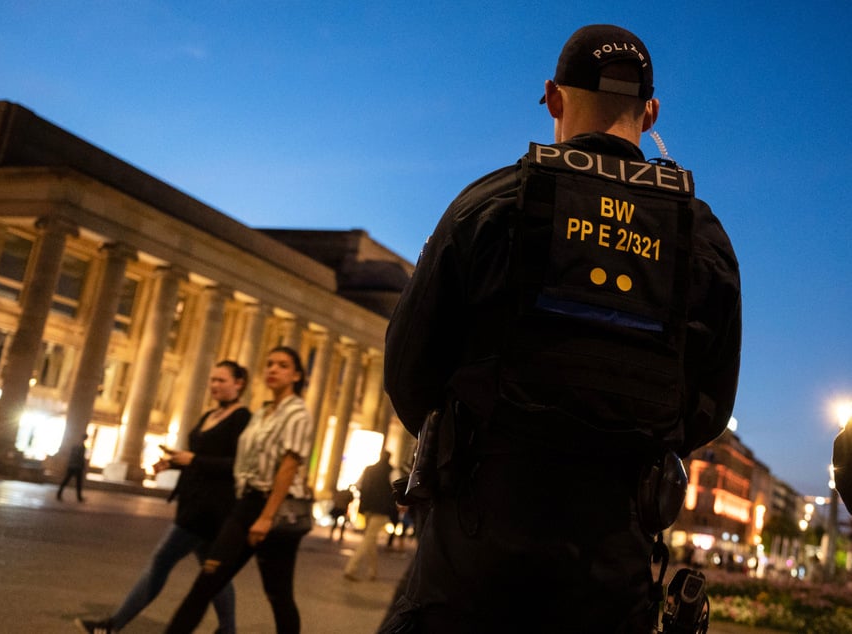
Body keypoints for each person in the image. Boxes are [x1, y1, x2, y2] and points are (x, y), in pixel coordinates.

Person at [380, 24, 741, 633]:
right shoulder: (701, 238)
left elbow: (409, 367)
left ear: (553, 97)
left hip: (472, 556)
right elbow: (709, 404)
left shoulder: (489, 206)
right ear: (650, 111)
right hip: (611, 564)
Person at [76, 361, 251, 634]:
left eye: (222, 380)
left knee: (161, 562)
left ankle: (112, 625)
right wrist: (174, 462)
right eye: (213, 379)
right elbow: (201, 458)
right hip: (193, 502)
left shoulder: (242, 418)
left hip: (209, 508)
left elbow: (236, 465)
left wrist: (192, 459)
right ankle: (228, 629)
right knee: (214, 572)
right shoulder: (211, 415)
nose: (214, 385)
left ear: (238, 383)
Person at [165, 346, 315, 634]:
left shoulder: (298, 414)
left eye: (282, 365)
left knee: (278, 595)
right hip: (246, 506)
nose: (272, 369)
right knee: (206, 582)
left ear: (296, 375)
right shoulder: (261, 413)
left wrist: (267, 517)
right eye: (269, 363)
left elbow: (288, 467)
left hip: (276, 511)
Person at [344, 450, 397, 581]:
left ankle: (373, 571)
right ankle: (351, 568)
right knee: (369, 538)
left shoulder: (369, 469)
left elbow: (358, 485)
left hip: (367, 508)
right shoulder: (392, 471)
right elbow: (396, 487)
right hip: (382, 509)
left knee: (370, 539)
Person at [57, 433, 89, 502]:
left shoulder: (76, 445)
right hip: (77, 467)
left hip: (72, 465)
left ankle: (60, 493)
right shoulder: (81, 446)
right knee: (76, 482)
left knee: (68, 480)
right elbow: (80, 457)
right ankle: (79, 497)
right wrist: (83, 466)